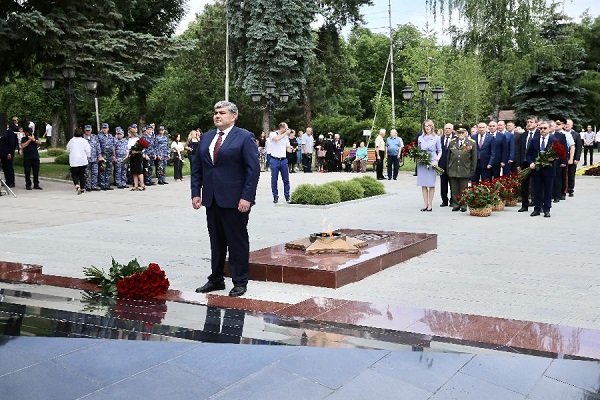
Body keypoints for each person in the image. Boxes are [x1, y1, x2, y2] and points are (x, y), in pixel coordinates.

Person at [191, 100, 260, 298]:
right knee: (216, 241)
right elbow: (197, 167)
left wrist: (247, 197)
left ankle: (240, 281)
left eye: (222, 113)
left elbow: (253, 170)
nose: (217, 116)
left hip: (235, 200)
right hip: (212, 199)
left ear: (233, 116)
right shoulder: (207, 137)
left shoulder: (244, 137)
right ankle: (216, 279)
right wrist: (196, 192)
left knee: (237, 241)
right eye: (215, 112)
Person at [527, 120, 556, 217]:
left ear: (549, 129)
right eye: (541, 128)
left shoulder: (554, 140)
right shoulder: (534, 140)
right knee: (537, 190)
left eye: (545, 128)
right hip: (537, 169)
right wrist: (531, 162)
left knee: (548, 190)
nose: (542, 130)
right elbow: (528, 154)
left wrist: (554, 158)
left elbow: (561, 154)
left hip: (549, 169)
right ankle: (537, 208)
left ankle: (547, 209)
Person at [447, 124, 477, 212]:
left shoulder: (471, 143)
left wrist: (472, 170)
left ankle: (463, 205)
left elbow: (474, 159)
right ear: (456, 133)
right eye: (459, 132)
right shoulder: (452, 142)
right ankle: (456, 204)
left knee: (463, 189)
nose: (461, 134)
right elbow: (449, 157)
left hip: (465, 169)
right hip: (453, 169)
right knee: (454, 189)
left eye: (462, 132)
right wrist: (448, 168)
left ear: (466, 133)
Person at [417, 120, 441, 211]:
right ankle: (425, 203)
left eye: (429, 126)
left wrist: (436, 160)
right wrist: (418, 156)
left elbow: (440, 151)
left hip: (432, 161)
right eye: (425, 126)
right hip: (422, 161)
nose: (427, 127)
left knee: (431, 184)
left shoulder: (436, 138)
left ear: (432, 127)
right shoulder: (420, 138)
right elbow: (418, 150)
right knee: (423, 184)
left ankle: (430, 204)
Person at [515, 116, 538, 212]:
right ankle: (525, 205)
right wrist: (518, 164)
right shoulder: (523, 135)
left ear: (536, 123)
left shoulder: (539, 134)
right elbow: (519, 150)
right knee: (524, 184)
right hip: (524, 163)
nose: (529, 123)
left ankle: (537, 204)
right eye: (528, 122)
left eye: (531, 122)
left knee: (537, 184)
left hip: (536, 163)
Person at [269, 122, 291, 202]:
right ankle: (275, 196)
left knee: (286, 179)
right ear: (282, 128)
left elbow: (287, 147)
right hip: (275, 159)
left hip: (283, 160)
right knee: (274, 179)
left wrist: (290, 149)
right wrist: (285, 133)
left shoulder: (286, 137)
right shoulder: (273, 134)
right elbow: (276, 139)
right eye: (286, 128)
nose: (287, 130)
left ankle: (287, 195)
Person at [66, 127, 91, 194]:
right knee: (82, 175)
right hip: (82, 161)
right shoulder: (84, 141)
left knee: (74, 174)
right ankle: (82, 189)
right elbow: (88, 151)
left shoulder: (71, 141)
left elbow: (67, 149)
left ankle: (77, 185)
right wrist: (88, 157)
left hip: (74, 161)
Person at [438, 123, 455, 206]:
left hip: (452, 165)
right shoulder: (440, 139)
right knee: (443, 183)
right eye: (446, 128)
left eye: (449, 128)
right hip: (442, 164)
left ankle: (453, 201)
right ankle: (444, 200)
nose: (447, 130)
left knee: (453, 184)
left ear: (452, 130)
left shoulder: (456, 139)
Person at [566, 119, 582, 197]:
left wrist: (577, 158)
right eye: (565, 124)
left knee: (571, 174)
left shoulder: (576, 135)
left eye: (568, 124)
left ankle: (570, 189)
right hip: (563, 157)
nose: (566, 125)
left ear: (571, 126)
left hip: (573, 157)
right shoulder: (561, 133)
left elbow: (579, 148)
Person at [83, 125, 101, 191]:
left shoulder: (95, 137)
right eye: (87, 130)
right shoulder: (82, 137)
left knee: (95, 173)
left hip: (94, 158)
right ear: (85, 130)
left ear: (91, 130)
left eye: (89, 130)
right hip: (86, 159)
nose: (88, 132)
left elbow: (98, 147)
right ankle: (87, 186)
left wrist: (99, 156)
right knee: (86, 173)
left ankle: (94, 186)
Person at [97, 123, 115, 190]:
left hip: (110, 155)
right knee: (102, 170)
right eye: (103, 128)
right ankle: (102, 185)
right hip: (103, 155)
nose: (104, 129)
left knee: (109, 170)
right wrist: (99, 156)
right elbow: (98, 147)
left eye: (106, 128)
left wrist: (114, 155)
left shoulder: (111, 136)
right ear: (101, 129)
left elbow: (113, 146)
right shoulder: (99, 136)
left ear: (108, 129)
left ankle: (107, 185)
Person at [127, 126, 145, 191]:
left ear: (132, 133)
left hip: (137, 156)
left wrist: (136, 151)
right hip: (132, 156)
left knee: (139, 171)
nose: (128, 134)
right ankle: (135, 185)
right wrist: (127, 155)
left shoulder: (137, 139)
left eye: (129, 132)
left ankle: (142, 185)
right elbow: (128, 149)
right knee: (134, 171)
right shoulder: (129, 139)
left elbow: (142, 149)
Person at [0, 122, 17, 188]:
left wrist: (10, 153)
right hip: (2, 153)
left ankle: (11, 182)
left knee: (9, 167)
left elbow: (12, 144)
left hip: (8, 153)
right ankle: (7, 181)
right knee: (4, 168)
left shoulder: (10, 133)